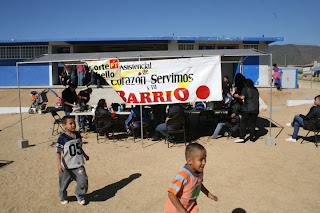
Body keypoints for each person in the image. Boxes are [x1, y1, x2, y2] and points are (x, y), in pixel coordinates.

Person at [164, 143, 218, 212]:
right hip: (176, 210)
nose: (204, 162)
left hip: (190, 207)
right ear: (189, 161)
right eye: (201, 160)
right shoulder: (183, 175)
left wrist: (208, 193)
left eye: (205, 159)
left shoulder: (199, 172)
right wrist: (182, 211)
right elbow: (171, 194)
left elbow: (198, 184)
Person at [56, 116, 89, 205]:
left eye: (74, 123)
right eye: (70, 123)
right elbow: (58, 152)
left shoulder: (77, 135)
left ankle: (79, 195)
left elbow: (79, 147)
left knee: (83, 180)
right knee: (63, 185)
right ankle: (63, 196)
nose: (73, 125)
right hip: (66, 166)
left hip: (78, 165)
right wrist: (59, 165)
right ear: (64, 125)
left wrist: (85, 155)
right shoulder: (62, 138)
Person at [234, 79, 259, 143]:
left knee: (243, 123)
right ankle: (252, 138)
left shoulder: (245, 88)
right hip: (255, 108)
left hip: (247, 109)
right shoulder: (256, 89)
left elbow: (242, 97)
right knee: (252, 124)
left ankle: (242, 137)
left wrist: (237, 96)